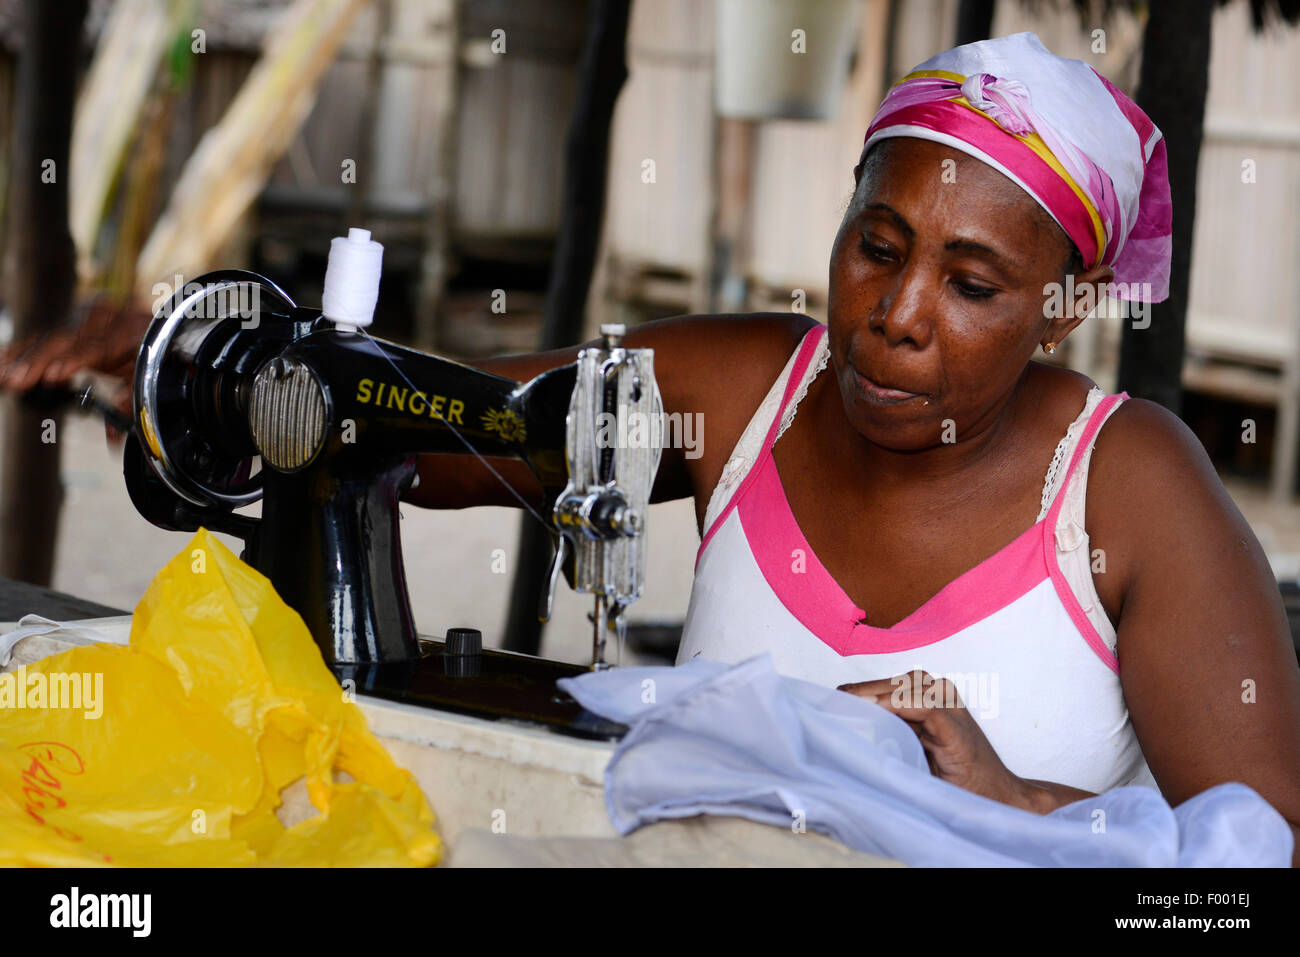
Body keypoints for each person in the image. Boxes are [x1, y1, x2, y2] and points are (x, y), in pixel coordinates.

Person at [4, 32, 1297, 862]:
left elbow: (1253, 877)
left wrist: (1019, 807)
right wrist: (222, 372)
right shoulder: (743, 386)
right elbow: (447, 428)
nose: (896, 316)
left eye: (972, 283)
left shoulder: (1132, 487)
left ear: (1062, 309)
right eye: (878, 247)